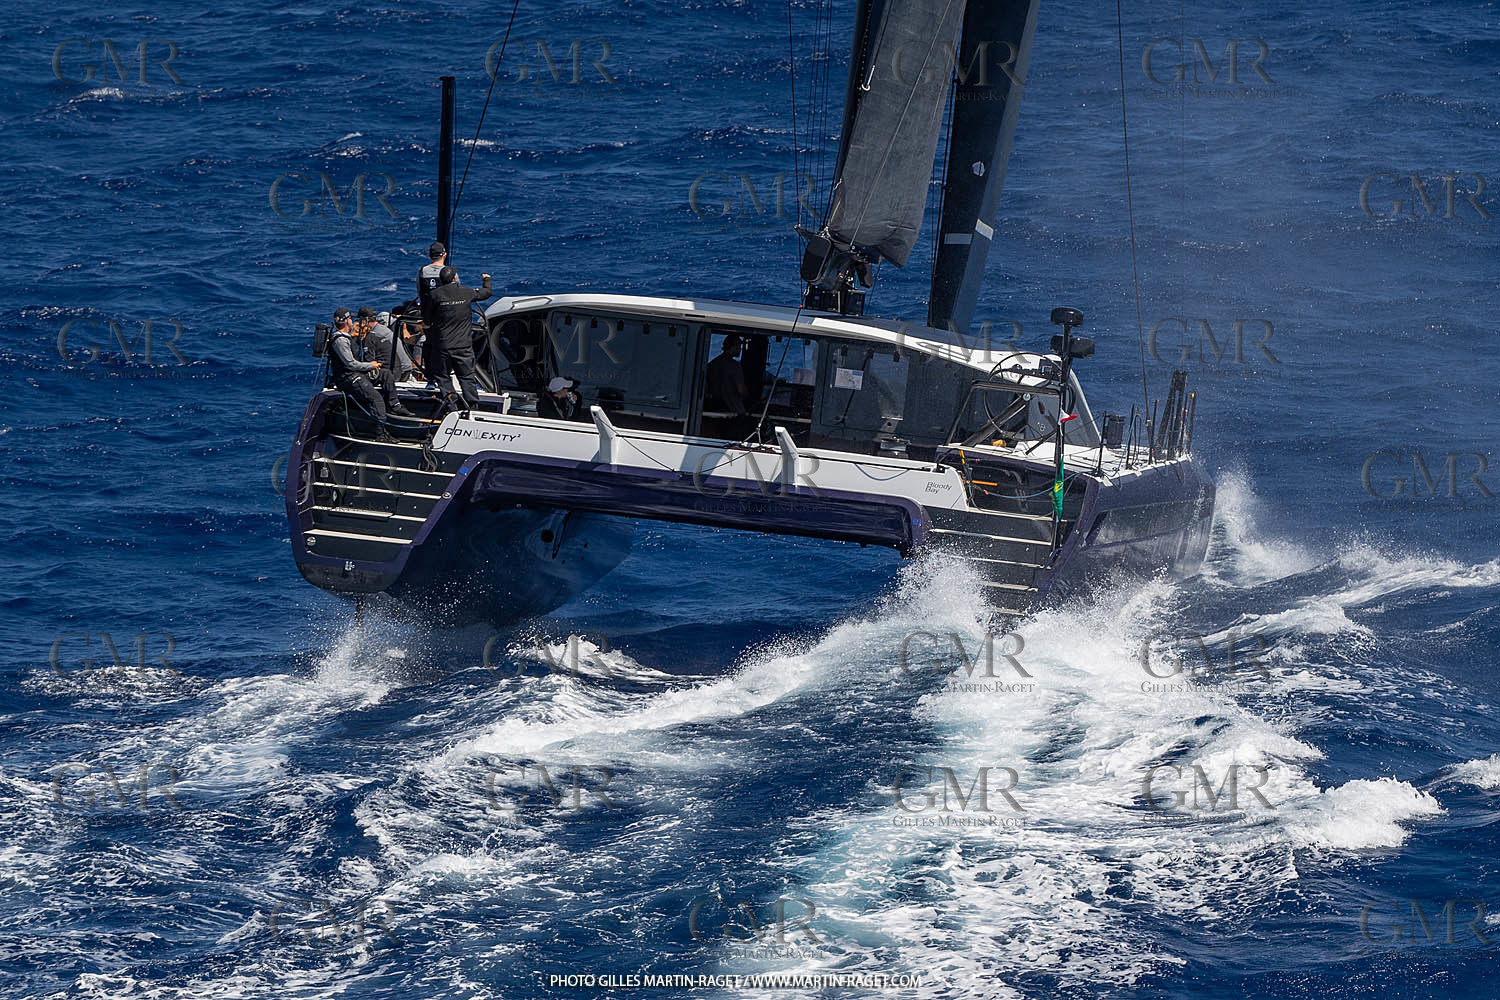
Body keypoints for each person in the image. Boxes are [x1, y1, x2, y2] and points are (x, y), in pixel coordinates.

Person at [327, 308, 409, 442]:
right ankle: (380, 434)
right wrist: (371, 365)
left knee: (385, 374)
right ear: (347, 321)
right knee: (375, 398)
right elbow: (351, 364)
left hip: (357, 373)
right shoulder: (340, 340)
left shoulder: (348, 338)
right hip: (348, 377)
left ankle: (395, 405)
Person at [427, 265, 493, 411]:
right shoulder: (466, 292)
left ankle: (451, 406)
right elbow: (487, 292)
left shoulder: (434, 295)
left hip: (442, 347)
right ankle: (473, 408)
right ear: (455, 278)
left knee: (443, 377)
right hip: (463, 346)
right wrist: (486, 279)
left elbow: (427, 319)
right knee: (466, 377)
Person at [417, 241, 447, 381]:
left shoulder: (423, 271)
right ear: (444, 255)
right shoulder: (448, 272)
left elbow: (420, 291)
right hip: (445, 316)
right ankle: (444, 374)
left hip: (428, 315)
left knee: (428, 344)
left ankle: (430, 377)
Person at [361, 306, 415, 382]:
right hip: (406, 368)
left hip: (400, 371)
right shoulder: (382, 329)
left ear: (366, 319)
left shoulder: (375, 334)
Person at [705, 335, 749, 416]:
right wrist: (747, 395)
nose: (740, 350)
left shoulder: (712, 364)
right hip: (732, 409)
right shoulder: (735, 366)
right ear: (731, 347)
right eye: (738, 347)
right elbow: (741, 390)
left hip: (712, 408)